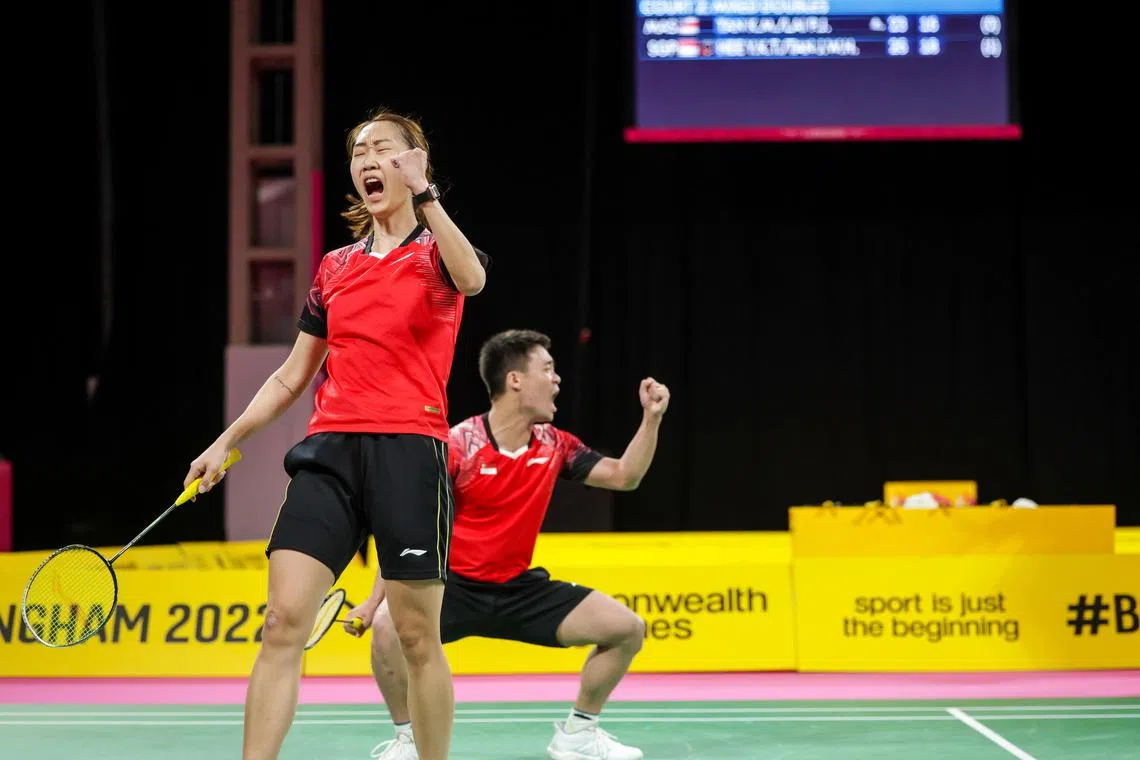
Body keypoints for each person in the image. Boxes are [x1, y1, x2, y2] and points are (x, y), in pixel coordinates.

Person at [184, 109, 490, 760]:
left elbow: (473, 280)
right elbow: (293, 376)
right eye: (358, 152)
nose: (368, 161)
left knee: (415, 637)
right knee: (280, 622)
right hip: (331, 453)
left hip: (409, 451)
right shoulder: (335, 267)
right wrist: (227, 440)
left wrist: (428, 194)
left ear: (414, 164)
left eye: (384, 150)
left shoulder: (436, 252)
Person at [344, 329, 670, 760]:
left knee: (626, 629)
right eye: (548, 369)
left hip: (519, 590)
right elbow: (410, 530)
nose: (557, 381)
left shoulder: (556, 445)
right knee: (386, 629)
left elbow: (624, 476)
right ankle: (408, 738)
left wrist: (652, 418)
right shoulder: (458, 446)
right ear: (515, 380)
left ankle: (578, 735)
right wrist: (372, 603)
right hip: (451, 588)